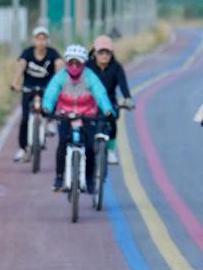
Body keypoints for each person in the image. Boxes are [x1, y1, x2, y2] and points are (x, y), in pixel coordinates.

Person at [42, 44, 114, 193]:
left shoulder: (90, 76)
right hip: (65, 114)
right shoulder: (61, 76)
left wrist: (107, 109)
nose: (74, 66)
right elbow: (51, 92)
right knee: (62, 142)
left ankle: (89, 179)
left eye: (78, 63)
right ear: (67, 63)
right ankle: (59, 178)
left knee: (89, 147)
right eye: (71, 62)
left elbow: (100, 94)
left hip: (87, 114)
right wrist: (47, 107)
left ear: (84, 63)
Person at [10, 26, 63, 162]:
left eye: (44, 39)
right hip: (29, 88)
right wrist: (15, 83)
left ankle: (50, 121)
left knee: (51, 103)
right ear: (34, 40)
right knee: (25, 118)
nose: (41, 42)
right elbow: (20, 67)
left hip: (47, 88)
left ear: (47, 40)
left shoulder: (52, 53)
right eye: (38, 39)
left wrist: (59, 83)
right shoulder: (27, 53)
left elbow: (59, 66)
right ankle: (22, 148)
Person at [87, 35, 135, 166]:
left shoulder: (116, 67)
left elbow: (123, 86)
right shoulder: (87, 66)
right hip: (90, 101)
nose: (104, 55)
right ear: (95, 53)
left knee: (112, 119)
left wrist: (128, 99)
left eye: (107, 52)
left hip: (110, 101)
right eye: (101, 52)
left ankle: (111, 150)